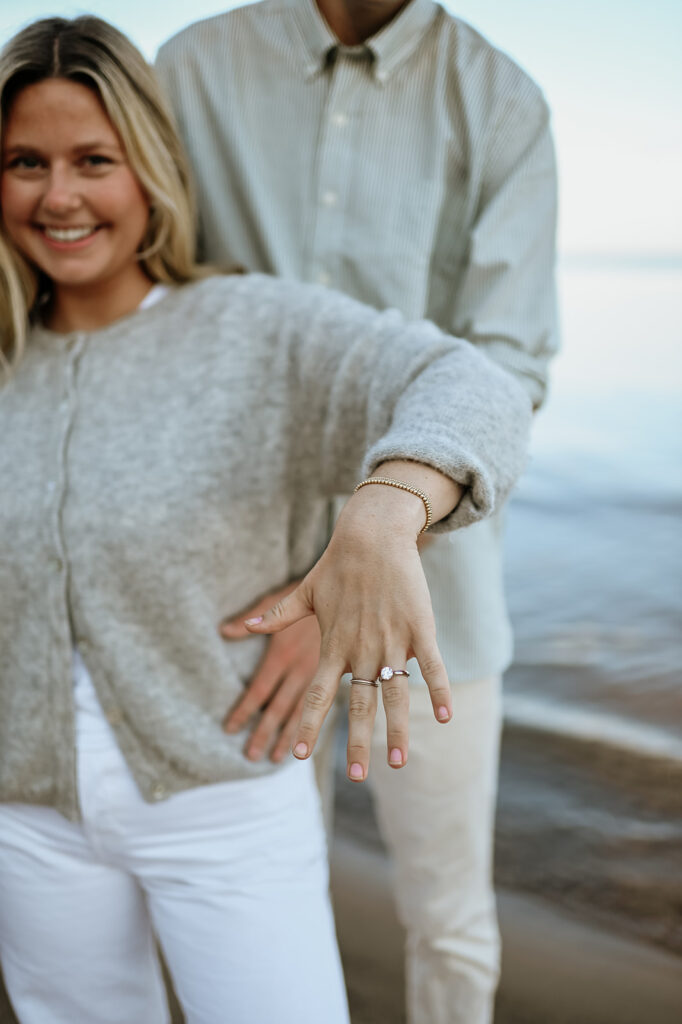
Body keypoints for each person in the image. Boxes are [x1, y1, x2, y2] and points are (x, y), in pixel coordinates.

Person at [0, 15, 532, 1024]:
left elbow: (475, 385)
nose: (58, 195)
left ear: (150, 170)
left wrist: (383, 512)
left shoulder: (255, 329)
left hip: (222, 801)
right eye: (25, 161)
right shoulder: (5, 360)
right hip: (23, 818)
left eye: (93, 161)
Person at [156, 2, 558, 1021]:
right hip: (236, 596)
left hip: (437, 605)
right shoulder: (189, 69)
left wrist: (372, 540)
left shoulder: (501, 100)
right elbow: (152, 307)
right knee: (249, 905)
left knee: (449, 919)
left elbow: (506, 368)